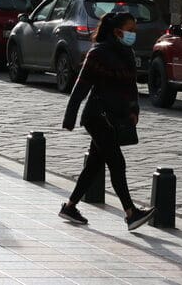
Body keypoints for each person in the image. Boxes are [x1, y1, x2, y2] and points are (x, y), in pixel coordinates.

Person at [59, 12, 155, 231]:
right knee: (116, 162)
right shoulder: (98, 53)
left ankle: (70, 206)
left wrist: (134, 109)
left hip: (116, 116)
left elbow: (131, 87)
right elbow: (81, 87)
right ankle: (131, 213)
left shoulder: (127, 52)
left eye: (134, 30)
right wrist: (70, 117)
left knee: (94, 165)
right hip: (98, 116)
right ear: (117, 31)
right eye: (130, 30)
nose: (133, 34)